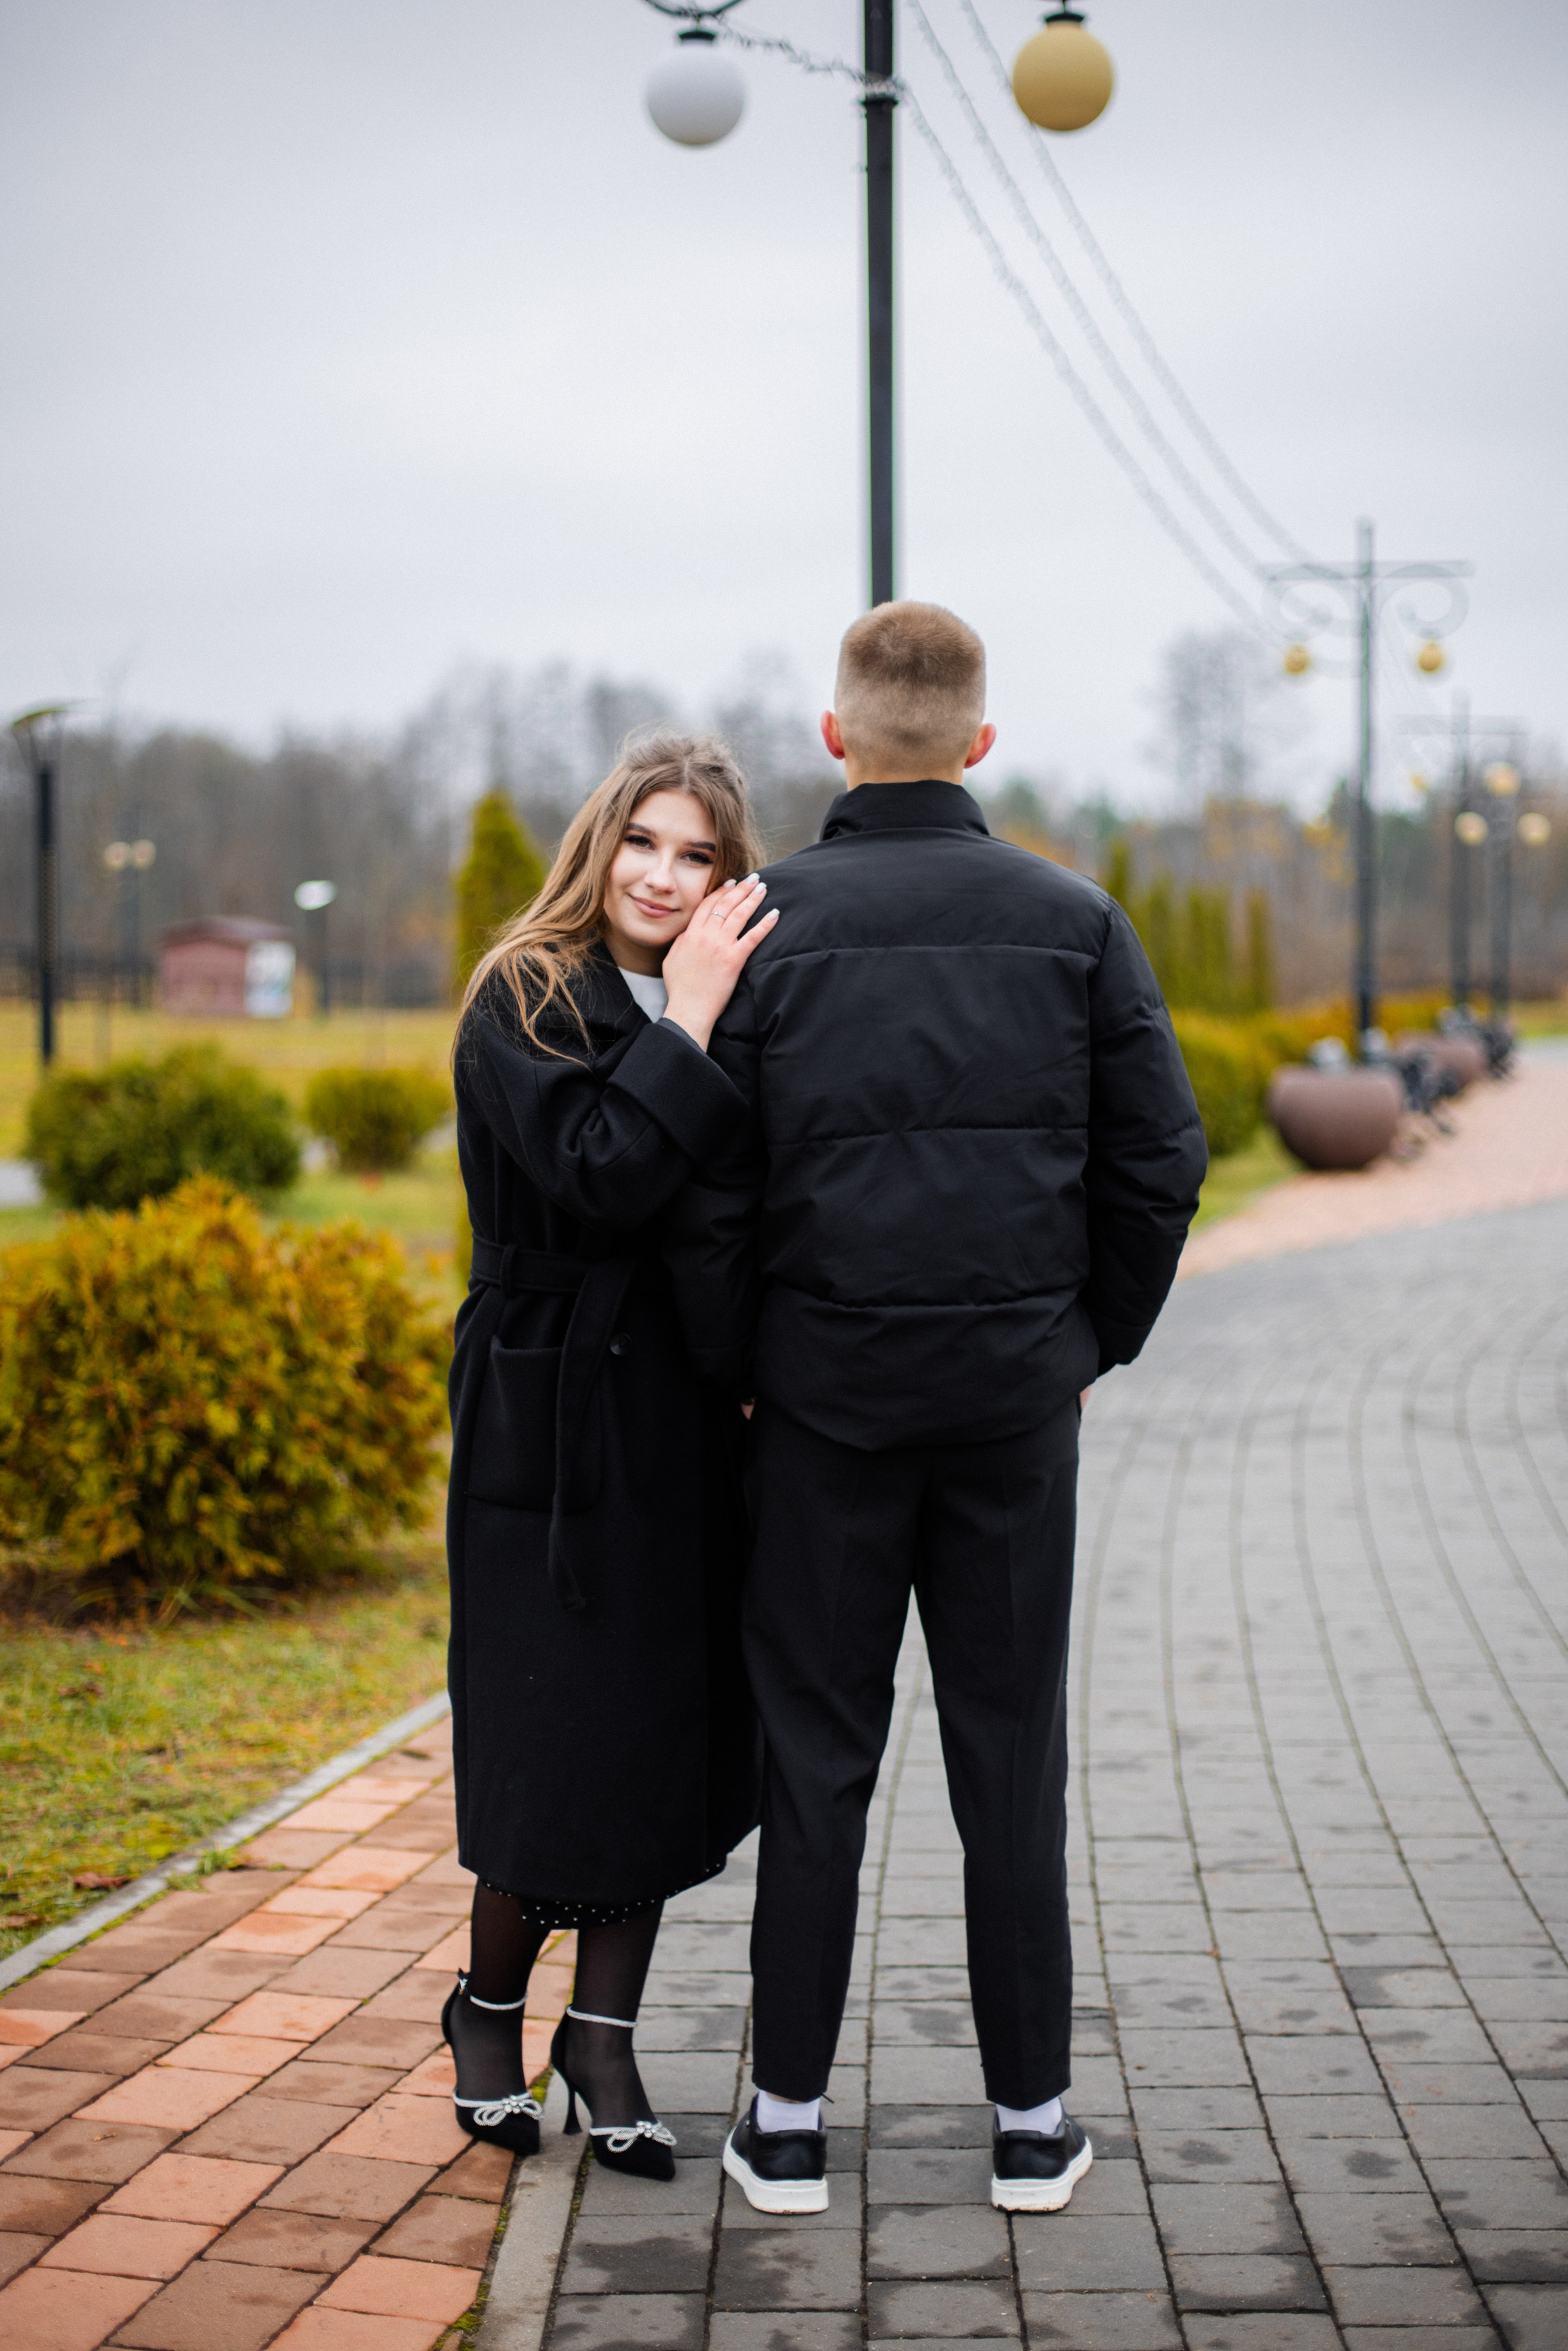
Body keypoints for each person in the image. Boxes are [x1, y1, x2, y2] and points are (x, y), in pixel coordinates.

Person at [674, 604, 1207, 2215]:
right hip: (1009, 1418)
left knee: (813, 1762)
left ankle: (781, 2121)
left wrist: (743, 1362)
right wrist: (1081, 1343)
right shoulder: (1076, 920)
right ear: (982, 742)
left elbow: (705, 1193)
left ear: (836, 739)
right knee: (1007, 1759)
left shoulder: (760, 925)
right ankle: (1032, 2122)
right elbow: (1162, 1158)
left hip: (818, 1415)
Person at [444, 734, 777, 2181]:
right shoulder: (525, 988)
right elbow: (597, 1173)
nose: (662, 874)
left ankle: (607, 2031)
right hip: (548, 1399)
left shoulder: (733, 997)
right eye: (643, 842)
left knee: (660, 1721)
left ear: (726, 872)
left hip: (683, 1408)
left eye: (696, 853)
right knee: (547, 1720)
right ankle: (487, 2006)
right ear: (601, 844)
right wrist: (686, 1022)